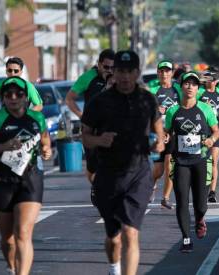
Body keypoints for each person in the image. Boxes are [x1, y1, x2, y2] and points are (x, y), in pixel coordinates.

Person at [81, 50, 164, 275]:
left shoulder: (147, 99)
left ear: (137, 73)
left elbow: (160, 132)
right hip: (108, 175)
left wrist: (160, 145)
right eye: (120, 71)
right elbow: (85, 136)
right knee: (114, 238)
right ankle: (114, 266)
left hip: (138, 174)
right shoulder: (100, 102)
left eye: (129, 72)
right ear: (114, 72)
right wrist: (100, 140)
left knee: (130, 232)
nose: (125, 77)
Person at [0, 76, 51, 275]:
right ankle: (11, 268)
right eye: (8, 95)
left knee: (23, 232)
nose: (13, 98)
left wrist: (46, 149)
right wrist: (3, 147)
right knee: (8, 238)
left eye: (18, 94)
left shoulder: (37, 118)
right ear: (3, 98)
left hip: (30, 179)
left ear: (26, 97)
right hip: (3, 181)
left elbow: (45, 140)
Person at [165, 71, 219, 253]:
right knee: (181, 200)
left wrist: (212, 140)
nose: (190, 87)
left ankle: (199, 219)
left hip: (201, 160)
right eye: (186, 84)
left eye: (193, 84)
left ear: (198, 88)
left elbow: (216, 131)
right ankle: (186, 238)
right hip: (181, 161)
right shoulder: (173, 111)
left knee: (201, 204)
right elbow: (167, 132)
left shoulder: (205, 109)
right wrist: (165, 137)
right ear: (181, 87)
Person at [65, 49, 115, 183]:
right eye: (106, 67)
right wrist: (82, 116)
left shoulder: (118, 78)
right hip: (91, 129)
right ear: (98, 64)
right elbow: (69, 99)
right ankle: (96, 187)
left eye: (112, 67)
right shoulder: (88, 77)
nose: (109, 70)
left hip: (112, 127)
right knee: (93, 167)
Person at [148, 60, 182, 209]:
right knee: (158, 170)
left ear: (172, 73)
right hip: (158, 132)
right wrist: (156, 111)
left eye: (167, 71)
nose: (164, 74)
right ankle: (152, 184)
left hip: (174, 131)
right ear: (158, 73)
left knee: (170, 163)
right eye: (161, 71)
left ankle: (166, 197)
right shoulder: (152, 90)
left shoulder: (178, 89)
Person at [198, 67, 219, 203]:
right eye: (205, 79)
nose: (206, 81)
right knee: (202, 160)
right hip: (201, 130)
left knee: (213, 162)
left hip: (216, 130)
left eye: (209, 79)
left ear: (216, 81)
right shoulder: (200, 92)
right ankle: (200, 187)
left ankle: (212, 192)